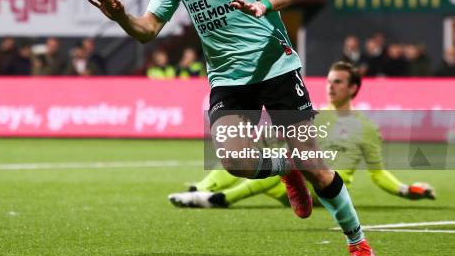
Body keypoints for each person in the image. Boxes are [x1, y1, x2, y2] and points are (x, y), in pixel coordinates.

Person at [87, 0, 376, 256]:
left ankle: (358, 243)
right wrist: (122, 17)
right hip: (226, 78)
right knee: (234, 160)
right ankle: (285, 167)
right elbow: (147, 32)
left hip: (274, 65)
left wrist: (263, 5)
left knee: (317, 167)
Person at [168, 61, 436, 208]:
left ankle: (221, 200)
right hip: (295, 184)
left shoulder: (365, 127)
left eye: (338, 82)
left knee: (289, 165)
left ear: (354, 88)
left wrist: (405, 189)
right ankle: (201, 188)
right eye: (329, 81)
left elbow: (378, 174)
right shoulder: (317, 114)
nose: (330, 87)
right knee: (244, 153)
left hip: (323, 187)